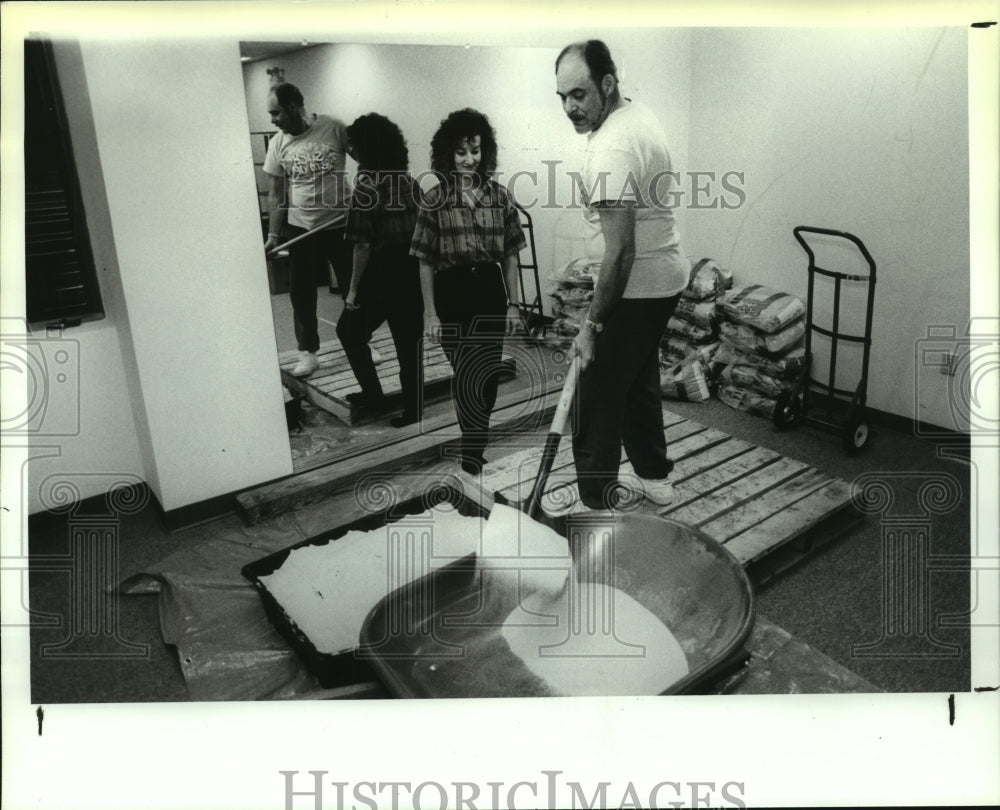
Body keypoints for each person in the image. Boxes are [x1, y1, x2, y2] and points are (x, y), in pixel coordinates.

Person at [554, 40, 690, 510]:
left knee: (595, 395)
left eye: (579, 94)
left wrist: (591, 326)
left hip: (635, 286)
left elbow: (621, 253)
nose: (570, 107)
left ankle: (595, 502)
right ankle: (654, 475)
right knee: (636, 379)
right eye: (563, 97)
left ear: (608, 84)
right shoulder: (634, 114)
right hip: (663, 279)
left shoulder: (612, 147)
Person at [410, 109, 526, 474]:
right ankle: (473, 453)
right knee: (467, 375)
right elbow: (424, 260)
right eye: (461, 152)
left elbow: (510, 255)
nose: (469, 159)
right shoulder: (434, 199)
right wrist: (430, 313)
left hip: (489, 290)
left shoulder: (500, 197)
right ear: (448, 153)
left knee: (487, 375)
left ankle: (475, 442)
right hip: (452, 292)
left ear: (485, 151)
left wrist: (514, 305)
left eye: (475, 150)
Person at [336, 113, 424, 427]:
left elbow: (362, 245)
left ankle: (374, 396)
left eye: (353, 145)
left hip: (381, 272)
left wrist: (352, 291)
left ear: (367, 148)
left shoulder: (366, 188)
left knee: (348, 331)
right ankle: (414, 410)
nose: (350, 150)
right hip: (412, 269)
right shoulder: (410, 183)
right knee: (408, 344)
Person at [263, 82, 352, 377]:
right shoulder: (278, 143)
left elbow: (366, 161)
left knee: (353, 287)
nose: (273, 120)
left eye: (275, 112)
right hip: (300, 227)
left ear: (292, 106)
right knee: (301, 294)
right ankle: (308, 352)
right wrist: (273, 235)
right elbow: (276, 194)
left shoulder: (334, 127)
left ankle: (361, 341)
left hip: (340, 223)